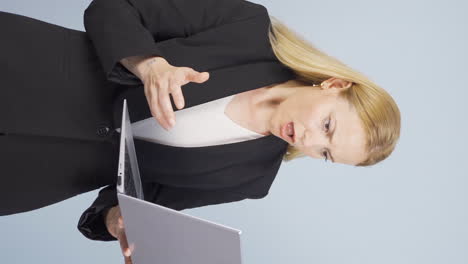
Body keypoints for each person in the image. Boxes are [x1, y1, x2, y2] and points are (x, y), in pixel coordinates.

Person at [0, 0, 400, 263]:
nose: (309, 141)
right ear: (333, 85)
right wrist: (149, 64)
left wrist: (117, 221)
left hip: (28, 175)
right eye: (327, 125)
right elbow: (115, 6)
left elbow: (139, 198)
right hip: (23, 67)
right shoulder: (249, 28)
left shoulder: (251, 178)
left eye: (325, 153)